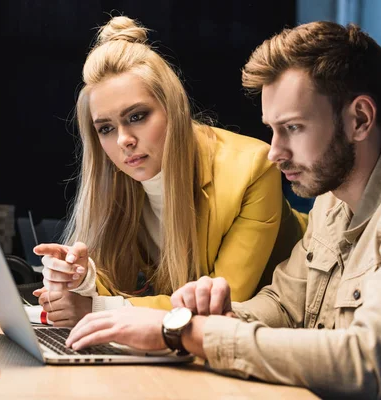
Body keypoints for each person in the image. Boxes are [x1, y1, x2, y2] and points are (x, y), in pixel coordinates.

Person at [64, 21, 381, 399]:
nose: (274, 152)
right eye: (272, 129)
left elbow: (369, 363)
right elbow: (282, 305)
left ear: (359, 119)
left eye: (293, 128)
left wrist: (181, 332)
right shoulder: (332, 202)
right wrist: (210, 314)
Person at [30, 16, 306, 326]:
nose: (123, 140)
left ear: (172, 108)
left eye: (137, 116)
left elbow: (223, 302)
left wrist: (94, 308)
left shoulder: (252, 168)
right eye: (105, 128)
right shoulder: (122, 181)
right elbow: (117, 290)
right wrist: (81, 281)